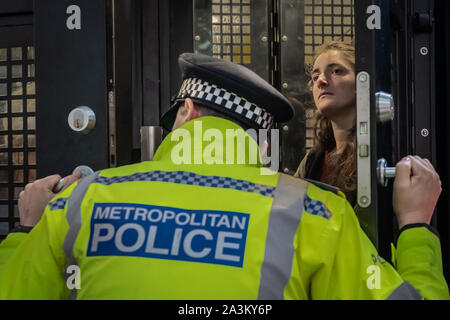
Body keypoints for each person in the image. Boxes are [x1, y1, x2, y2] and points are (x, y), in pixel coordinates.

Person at [0, 53, 448, 300]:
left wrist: (27, 231)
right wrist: (415, 227)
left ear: (188, 110)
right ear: (257, 137)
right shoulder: (315, 212)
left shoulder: (83, 201)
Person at [295, 41, 358, 207]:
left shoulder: (380, 153)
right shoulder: (314, 159)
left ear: (363, 81)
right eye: (315, 77)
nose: (321, 81)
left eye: (337, 71)